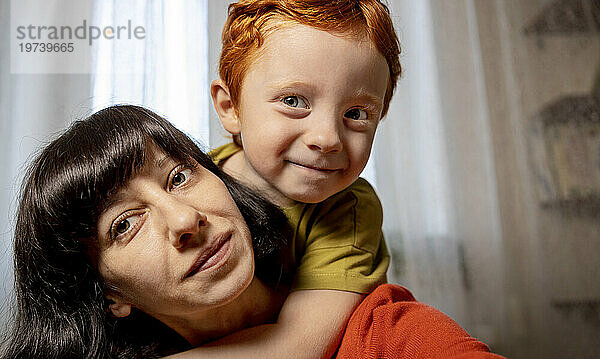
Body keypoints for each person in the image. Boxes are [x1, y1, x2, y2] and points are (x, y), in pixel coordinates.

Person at [1, 105, 503, 359]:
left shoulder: (385, 336)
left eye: (179, 177)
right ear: (109, 294)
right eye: (126, 224)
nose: (184, 220)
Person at [207, 0, 399, 357]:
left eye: (356, 113)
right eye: (294, 101)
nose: (327, 138)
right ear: (230, 107)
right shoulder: (192, 180)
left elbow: (295, 347)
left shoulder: (349, 211)